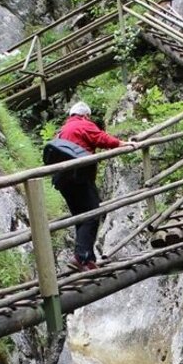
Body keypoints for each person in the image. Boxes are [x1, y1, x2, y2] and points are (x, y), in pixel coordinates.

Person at [52, 101, 135, 271]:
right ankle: (80, 257)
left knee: (80, 217)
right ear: (85, 115)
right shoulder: (83, 124)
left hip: (63, 180)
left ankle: (87, 259)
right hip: (79, 177)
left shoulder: (61, 131)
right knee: (92, 214)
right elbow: (102, 138)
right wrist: (123, 144)